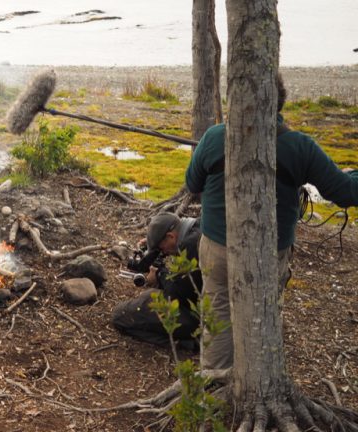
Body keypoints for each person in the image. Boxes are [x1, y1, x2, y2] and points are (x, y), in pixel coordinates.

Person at [186, 73, 358, 369]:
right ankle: (257, 384)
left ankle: (215, 386)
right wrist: (350, 174)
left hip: (216, 246)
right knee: (261, 316)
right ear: (278, 102)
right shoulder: (299, 146)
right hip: (267, 253)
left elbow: (192, 183)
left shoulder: (214, 137)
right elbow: (345, 192)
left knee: (218, 315)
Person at [112, 212, 203, 349]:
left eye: (162, 248)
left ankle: (190, 344)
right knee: (145, 298)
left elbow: (177, 294)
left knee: (120, 316)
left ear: (171, 236)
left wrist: (159, 275)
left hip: (201, 317)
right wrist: (153, 245)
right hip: (217, 307)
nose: (164, 252)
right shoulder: (199, 225)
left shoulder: (190, 246)